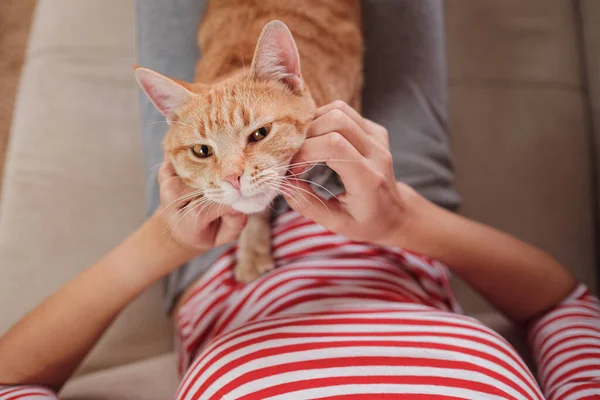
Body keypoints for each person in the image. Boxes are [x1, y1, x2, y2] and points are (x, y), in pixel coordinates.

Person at [1, 1, 599, 399]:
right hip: (396, 215)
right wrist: (401, 218)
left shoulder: (199, 205)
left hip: (211, 251)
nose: (240, 174)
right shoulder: (397, 208)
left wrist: (166, 239)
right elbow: (568, 306)